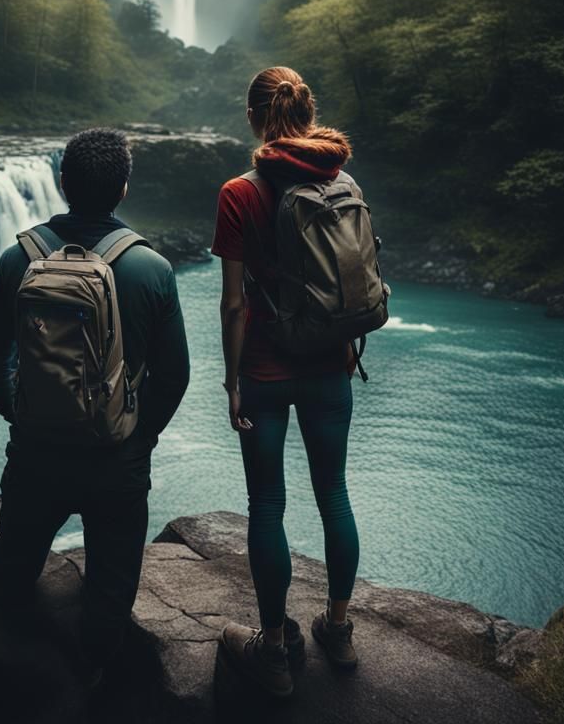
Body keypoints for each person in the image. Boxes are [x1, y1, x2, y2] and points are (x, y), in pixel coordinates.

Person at [0, 127, 190, 682]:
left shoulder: (15, 260)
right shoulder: (153, 270)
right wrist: (138, 435)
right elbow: (174, 377)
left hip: (36, 456)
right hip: (117, 464)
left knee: (12, 588)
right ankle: (97, 673)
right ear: (123, 187)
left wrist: (24, 418)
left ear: (62, 181)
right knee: (108, 609)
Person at [213, 66, 362, 698]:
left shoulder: (238, 193)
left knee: (267, 506)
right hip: (330, 361)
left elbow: (230, 303)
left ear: (253, 117)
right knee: (333, 491)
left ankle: (273, 653)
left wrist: (231, 380)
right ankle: (338, 627)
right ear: (306, 114)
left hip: (267, 371)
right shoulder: (343, 179)